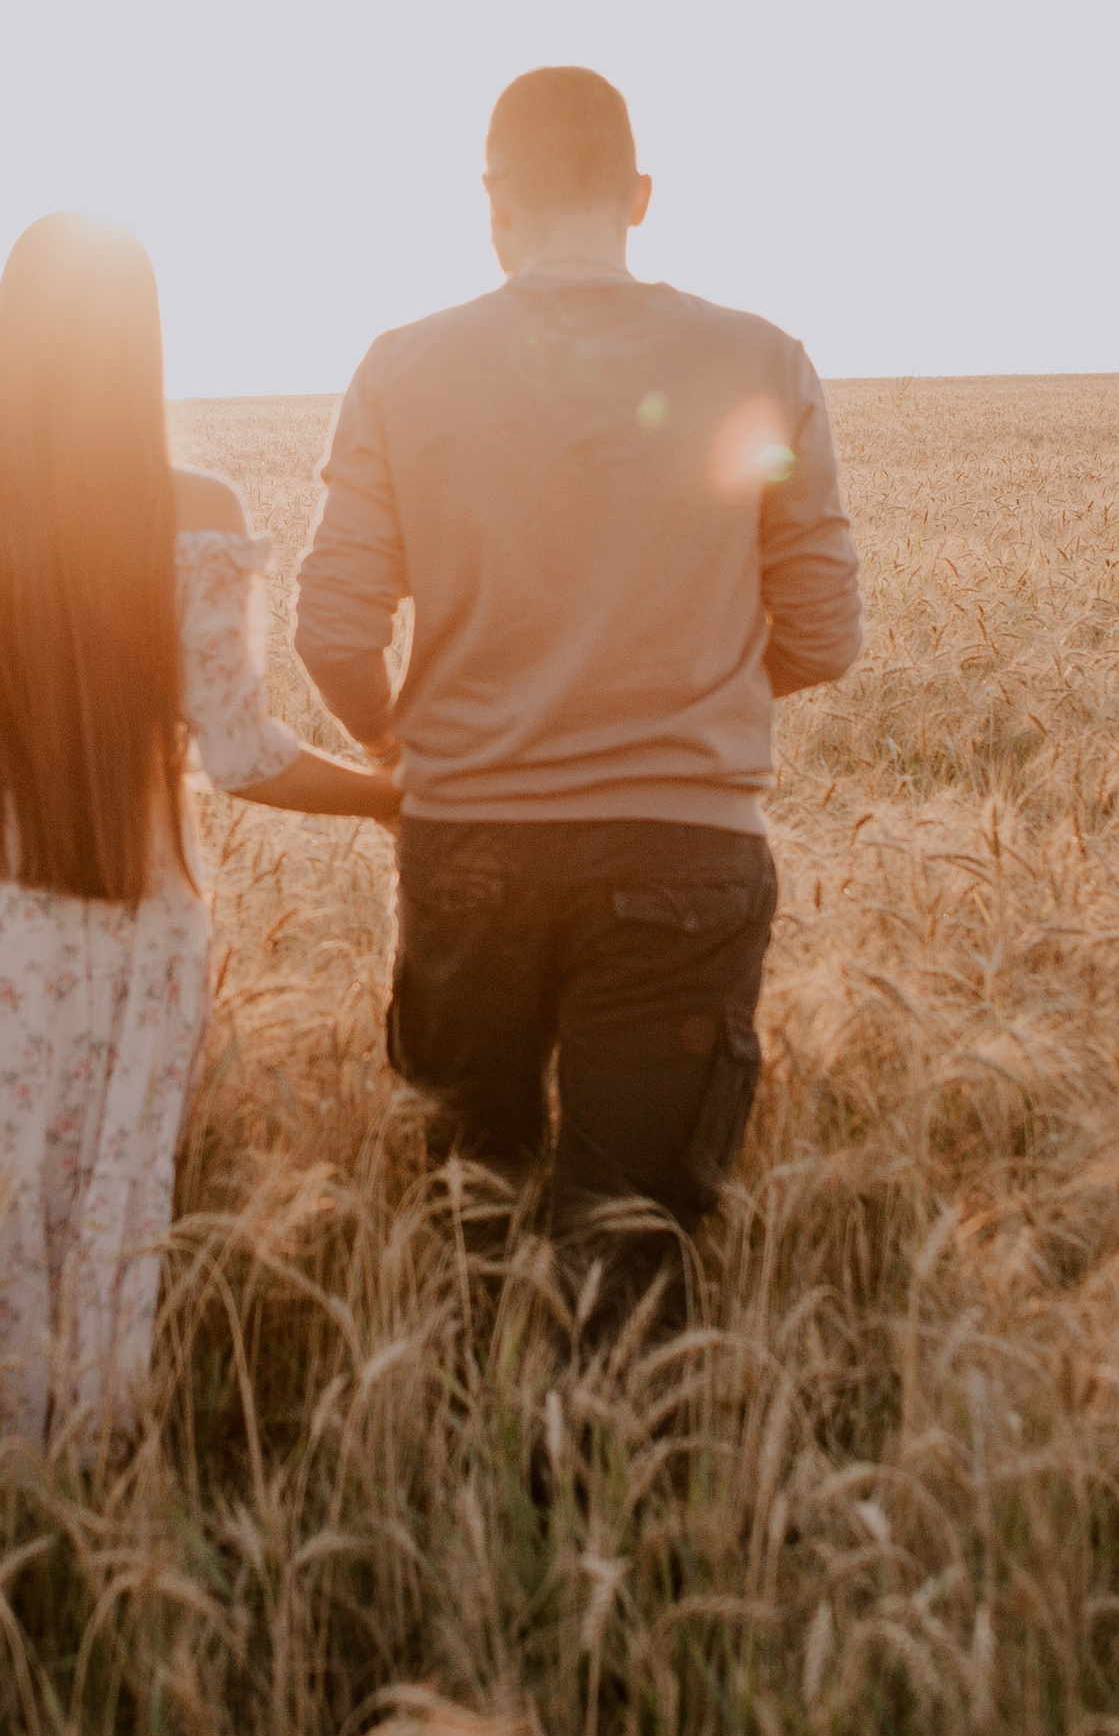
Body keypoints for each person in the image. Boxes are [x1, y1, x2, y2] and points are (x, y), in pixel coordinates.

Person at [294, 67, 862, 1323]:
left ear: (491, 203)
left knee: (469, 1227)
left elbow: (330, 626)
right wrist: (682, 687)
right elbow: (823, 631)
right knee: (628, 1246)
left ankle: (467, 1485)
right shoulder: (761, 357)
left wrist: (408, 744)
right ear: (640, 195)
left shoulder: (400, 365)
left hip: (466, 849)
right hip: (685, 853)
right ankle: (596, 1505)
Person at [0, 213, 398, 1451]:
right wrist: (391, 795)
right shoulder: (197, 510)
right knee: (113, 1201)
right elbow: (243, 754)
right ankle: (95, 1466)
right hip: (143, 919)